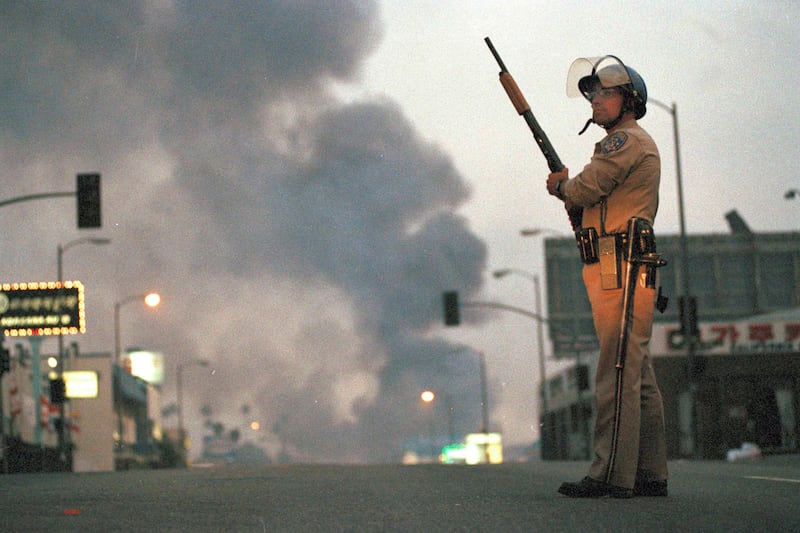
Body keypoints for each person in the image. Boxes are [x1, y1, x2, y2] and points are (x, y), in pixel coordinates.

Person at [546, 55, 669, 498]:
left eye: (605, 92)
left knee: (615, 371)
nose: (595, 100)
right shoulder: (628, 143)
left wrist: (561, 185)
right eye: (593, 93)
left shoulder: (624, 142)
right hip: (620, 263)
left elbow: (585, 188)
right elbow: (595, 202)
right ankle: (651, 474)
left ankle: (608, 474)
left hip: (621, 266)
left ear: (628, 100)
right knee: (638, 376)